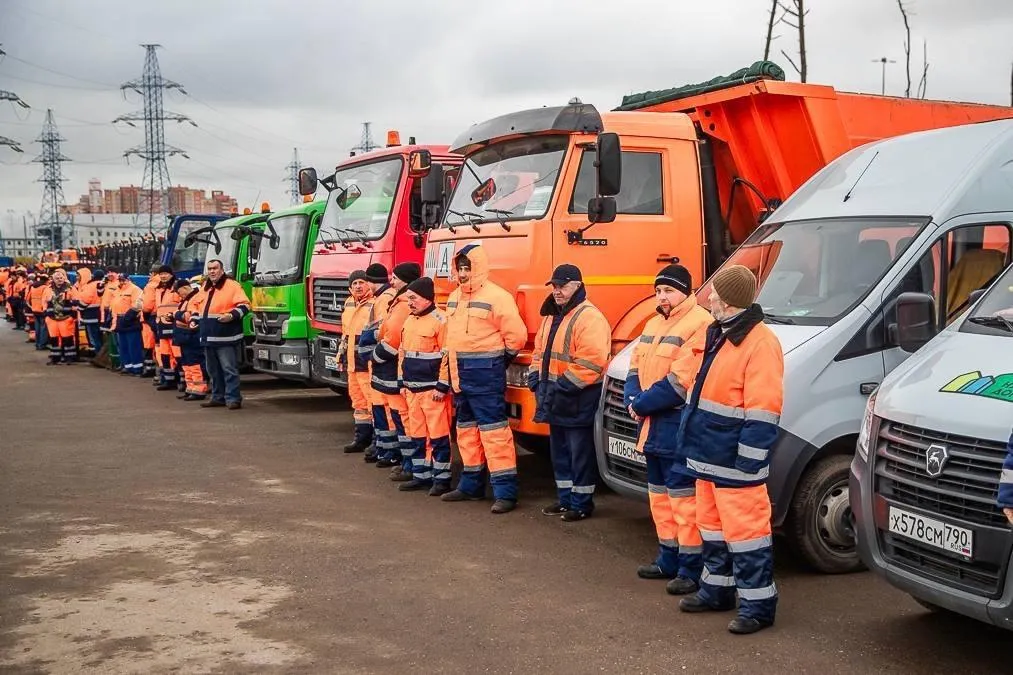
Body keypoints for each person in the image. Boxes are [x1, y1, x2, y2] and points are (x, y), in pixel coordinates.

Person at [676, 265, 784, 635]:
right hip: (710, 455)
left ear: (730, 300)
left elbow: (764, 407)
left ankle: (757, 607)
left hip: (736, 463)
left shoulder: (760, 342)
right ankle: (716, 591)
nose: (709, 299)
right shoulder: (719, 333)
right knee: (712, 530)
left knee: (747, 536)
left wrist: (750, 460)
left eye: (716, 294)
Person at [626, 264, 713, 590]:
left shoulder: (700, 323)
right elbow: (635, 365)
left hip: (676, 423)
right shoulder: (653, 322)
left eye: (669, 290)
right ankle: (668, 558)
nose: (662, 296)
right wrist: (633, 398)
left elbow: (680, 381)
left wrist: (639, 404)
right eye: (659, 290)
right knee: (660, 498)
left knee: (683, 501)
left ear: (685, 291)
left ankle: (691, 569)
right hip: (653, 424)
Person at [440, 243, 527, 514]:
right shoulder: (454, 296)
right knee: (466, 433)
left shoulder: (497, 297)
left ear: (478, 267)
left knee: (495, 434)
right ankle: (471, 485)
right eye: (460, 268)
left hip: (485, 376)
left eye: (467, 268)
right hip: (460, 375)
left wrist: (499, 362)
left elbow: (517, 336)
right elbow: (450, 340)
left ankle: (505, 493)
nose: (463, 273)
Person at [527, 264, 610, 521]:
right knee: (560, 452)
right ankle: (566, 500)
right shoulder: (551, 316)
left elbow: (592, 362)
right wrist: (534, 378)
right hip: (557, 395)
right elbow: (539, 353)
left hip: (576, 397)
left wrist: (560, 386)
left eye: (562, 285)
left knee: (579, 453)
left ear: (577, 285)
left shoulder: (589, 317)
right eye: (553, 286)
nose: (556, 291)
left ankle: (582, 503)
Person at [396, 276, 453, 495]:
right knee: (418, 435)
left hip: (432, 391)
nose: (410, 302)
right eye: (408, 298)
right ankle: (421, 476)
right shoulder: (410, 320)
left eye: (414, 298)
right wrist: (401, 381)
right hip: (412, 389)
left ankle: (442, 480)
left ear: (427, 298)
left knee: (438, 436)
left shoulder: (441, 320)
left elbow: (447, 356)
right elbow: (403, 353)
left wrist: (442, 386)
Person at [370, 262, 421, 481]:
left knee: (404, 420)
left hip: (395, 370)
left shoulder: (401, 305)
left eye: (396, 277)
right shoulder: (398, 301)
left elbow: (392, 338)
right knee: (401, 419)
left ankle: (410, 465)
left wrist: (374, 356)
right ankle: (407, 463)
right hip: (394, 371)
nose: (392, 281)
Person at [357, 262, 405, 469]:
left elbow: (385, 332)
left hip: (384, 364)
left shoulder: (387, 299)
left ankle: (389, 450)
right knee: (381, 409)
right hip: (378, 364)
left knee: (388, 412)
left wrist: (372, 354)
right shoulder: (386, 299)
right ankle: (384, 447)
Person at [198, 258, 251, 410]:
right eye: (209, 269)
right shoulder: (205, 287)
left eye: (215, 268)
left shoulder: (232, 285)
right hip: (208, 336)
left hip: (225, 336)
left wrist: (231, 315)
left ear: (222, 270)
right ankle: (218, 397)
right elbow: (198, 307)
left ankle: (233, 398)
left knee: (229, 369)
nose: (212, 271)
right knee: (213, 371)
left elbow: (245, 305)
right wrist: (194, 319)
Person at [339, 270, 376, 454]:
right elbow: (345, 334)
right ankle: (361, 439)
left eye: (361, 282)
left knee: (372, 403)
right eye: (354, 283)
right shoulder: (349, 303)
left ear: (368, 284)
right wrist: (340, 356)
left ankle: (377, 441)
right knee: (358, 404)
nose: (358, 286)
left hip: (366, 364)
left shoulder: (374, 304)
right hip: (352, 364)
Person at [172, 278, 209, 401]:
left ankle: (199, 390)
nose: (178, 295)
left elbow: (189, 316)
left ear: (184, 288)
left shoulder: (195, 298)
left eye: (178, 292)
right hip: (184, 336)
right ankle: (191, 388)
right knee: (187, 364)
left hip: (191, 336)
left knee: (195, 364)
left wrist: (175, 315)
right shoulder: (187, 299)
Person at [110, 272, 145, 376]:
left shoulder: (135, 289)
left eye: (123, 279)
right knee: (123, 346)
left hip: (131, 320)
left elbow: (137, 305)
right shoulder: (117, 291)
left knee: (133, 346)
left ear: (128, 279)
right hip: (120, 320)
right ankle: (127, 366)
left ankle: (137, 368)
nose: (121, 281)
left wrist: (129, 317)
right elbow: (114, 306)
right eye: (120, 279)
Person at [42, 268, 79, 365]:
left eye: (61, 277)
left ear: (64, 278)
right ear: (53, 279)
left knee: (68, 339)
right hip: (52, 318)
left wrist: (73, 316)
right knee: (54, 339)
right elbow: (44, 302)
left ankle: (69, 358)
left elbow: (76, 301)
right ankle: (55, 358)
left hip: (66, 318)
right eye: (57, 277)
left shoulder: (70, 288)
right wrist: (45, 314)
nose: (59, 279)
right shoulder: (48, 289)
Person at [152, 266, 181, 391]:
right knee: (165, 354)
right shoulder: (159, 289)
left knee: (177, 354)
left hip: (174, 324)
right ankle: (169, 380)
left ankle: (181, 380)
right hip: (162, 325)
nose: (163, 276)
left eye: (165, 274)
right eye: (161, 274)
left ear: (171, 274)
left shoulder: (176, 286)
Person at [76, 268, 105, 357]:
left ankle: (98, 356)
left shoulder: (91, 285)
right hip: (99, 314)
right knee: (98, 337)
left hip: (90, 315)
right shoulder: (102, 284)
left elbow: (86, 299)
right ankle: (100, 355)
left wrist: (79, 308)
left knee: (93, 337)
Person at [140, 263, 162, 379]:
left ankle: (150, 369)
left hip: (150, 317)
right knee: (159, 345)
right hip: (160, 316)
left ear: (153, 273)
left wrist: (145, 314)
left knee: (150, 345)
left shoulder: (151, 285)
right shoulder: (164, 284)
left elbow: (148, 303)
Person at [27, 273, 50, 351]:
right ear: (46, 281)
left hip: (34, 309)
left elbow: (28, 298)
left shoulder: (33, 287)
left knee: (37, 327)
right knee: (44, 328)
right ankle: (42, 344)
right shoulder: (45, 287)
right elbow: (47, 298)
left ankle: (37, 344)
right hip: (42, 309)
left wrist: (31, 306)